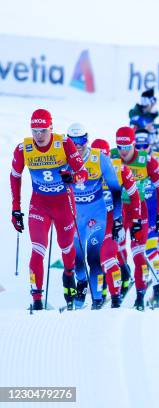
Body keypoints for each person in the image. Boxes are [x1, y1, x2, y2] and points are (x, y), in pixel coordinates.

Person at [10, 109, 88, 310]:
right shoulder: (23, 148)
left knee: (66, 248)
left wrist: (73, 178)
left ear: (51, 129)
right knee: (38, 249)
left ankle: (69, 276)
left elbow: (82, 173)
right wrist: (15, 208)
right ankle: (36, 300)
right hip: (39, 205)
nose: (39, 135)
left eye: (43, 130)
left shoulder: (63, 144)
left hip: (63, 204)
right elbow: (15, 176)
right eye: (35, 130)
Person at [66, 124, 130, 309]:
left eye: (82, 141)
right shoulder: (63, 158)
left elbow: (116, 190)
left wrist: (117, 219)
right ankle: (81, 285)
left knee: (94, 258)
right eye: (73, 141)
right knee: (76, 258)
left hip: (97, 213)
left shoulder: (99, 158)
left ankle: (97, 299)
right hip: (75, 213)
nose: (77, 145)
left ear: (87, 139)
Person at [111, 126, 159, 310]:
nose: (123, 151)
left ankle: (140, 295)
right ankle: (124, 273)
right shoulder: (111, 156)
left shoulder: (147, 161)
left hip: (139, 209)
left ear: (134, 144)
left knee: (139, 254)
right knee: (114, 249)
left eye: (127, 146)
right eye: (119, 146)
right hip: (119, 208)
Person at [91, 138, 142, 308]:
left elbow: (135, 196)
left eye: (103, 157)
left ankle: (115, 298)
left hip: (111, 220)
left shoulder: (120, 169)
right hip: (90, 220)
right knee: (92, 260)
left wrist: (136, 220)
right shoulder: (83, 167)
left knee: (107, 258)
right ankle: (99, 294)